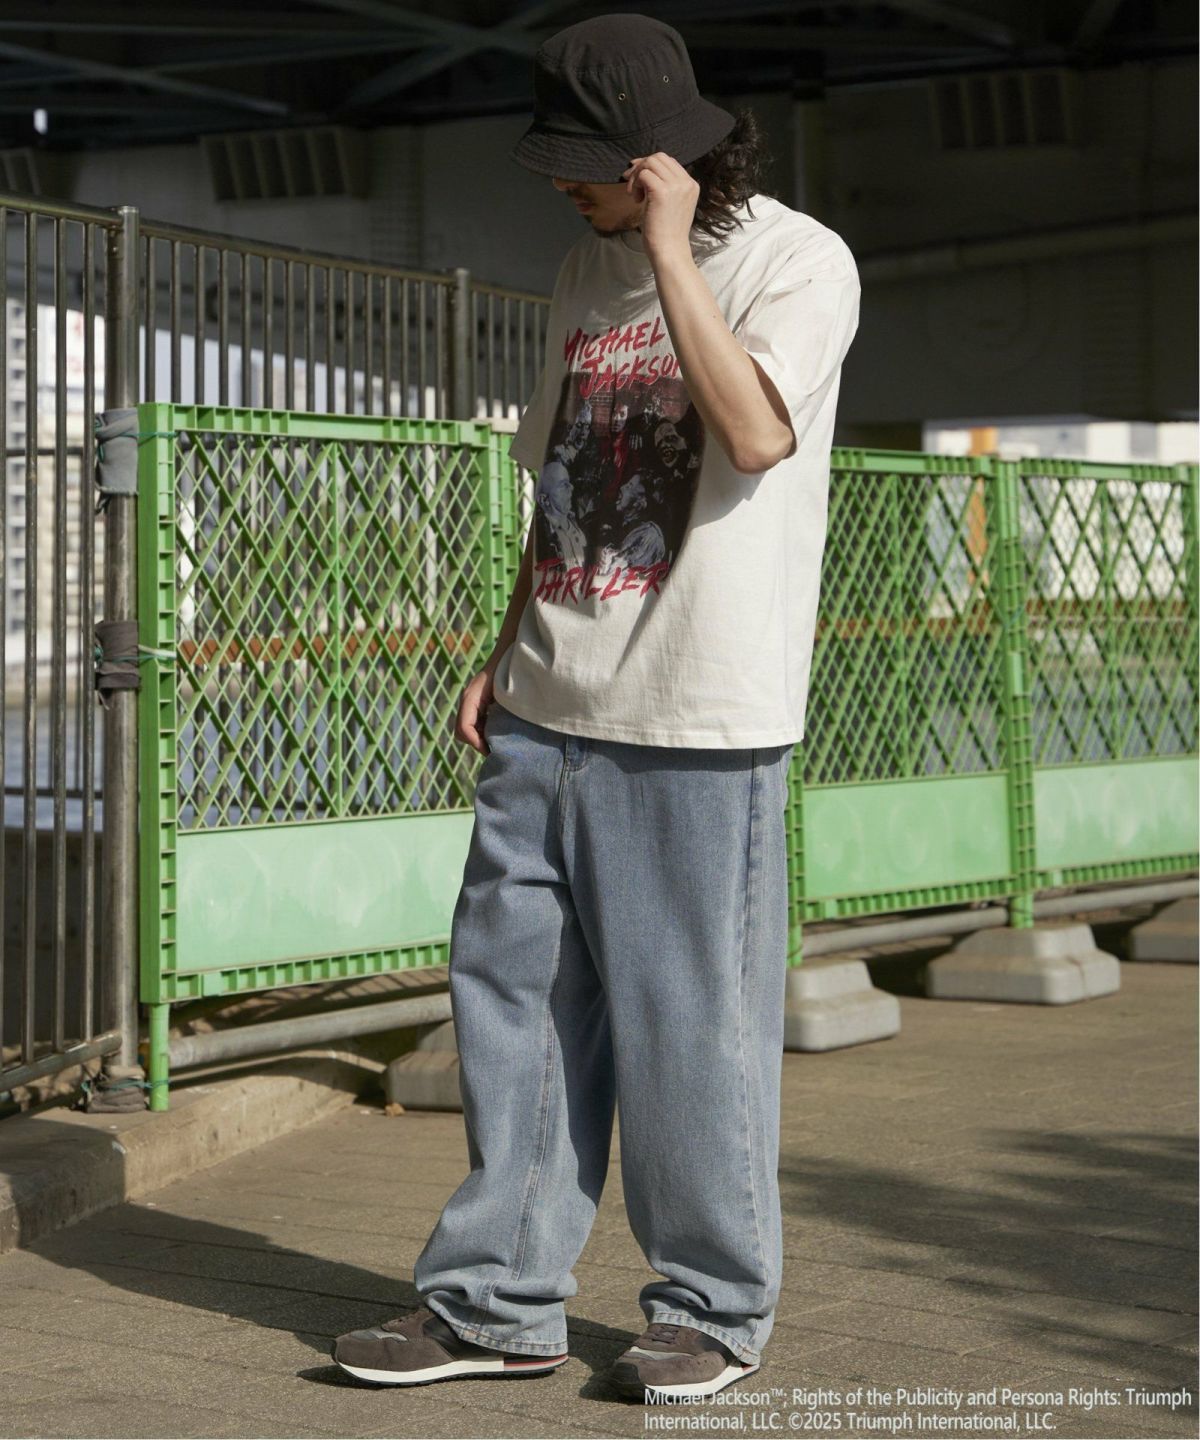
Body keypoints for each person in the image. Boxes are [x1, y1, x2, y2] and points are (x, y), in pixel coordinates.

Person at [333, 10, 861, 1405]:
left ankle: (711, 1312)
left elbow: (753, 433)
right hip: (544, 703)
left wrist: (676, 253)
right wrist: (502, 651)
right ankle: (496, 1304)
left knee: (693, 1028)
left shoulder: (800, 261)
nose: (563, 187)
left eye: (586, 165)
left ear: (659, 160)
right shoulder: (579, 270)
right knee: (510, 1008)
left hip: (698, 718)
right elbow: (561, 481)